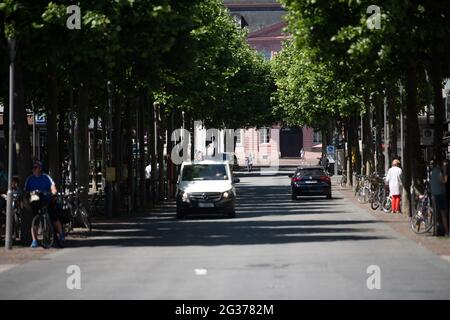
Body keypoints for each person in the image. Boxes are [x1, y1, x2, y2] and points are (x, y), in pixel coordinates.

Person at [25, 161, 65, 248]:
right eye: (33, 168)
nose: (34, 169)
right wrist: (28, 195)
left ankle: (61, 233)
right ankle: (34, 240)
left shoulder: (46, 177)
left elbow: (52, 186)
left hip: (47, 199)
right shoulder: (30, 179)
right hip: (35, 201)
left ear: (40, 168)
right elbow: (26, 190)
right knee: (34, 221)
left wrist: (54, 192)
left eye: (36, 167)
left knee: (53, 217)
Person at [430, 157, 449, 237]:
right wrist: (445, 171)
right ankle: (446, 231)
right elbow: (444, 181)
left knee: (436, 213)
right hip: (440, 194)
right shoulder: (438, 172)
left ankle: (437, 230)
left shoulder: (433, 172)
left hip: (434, 194)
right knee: (443, 213)